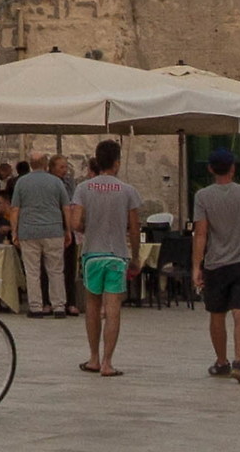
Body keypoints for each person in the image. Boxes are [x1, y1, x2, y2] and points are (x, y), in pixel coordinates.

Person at [68, 139, 143, 377]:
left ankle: (93, 357)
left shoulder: (83, 189)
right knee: (113, 309)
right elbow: (134, 228)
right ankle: (108, 362)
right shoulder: (128, 191)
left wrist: (88, 227)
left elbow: (75, 222)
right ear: (117, 162)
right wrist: (136, 256)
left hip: (92, 254)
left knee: (92, 305)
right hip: (117, 255)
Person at [191, 150, 240, 384]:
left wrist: (196, 266)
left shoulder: (203, 197)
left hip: (217, 263)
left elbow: (201, 234)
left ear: (211, 169)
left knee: (216, 314)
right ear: (233, 168)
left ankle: (221, 360)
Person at [9, 153, 73, 317]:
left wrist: (14, 231)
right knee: (56, 270)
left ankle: (36, 307)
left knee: (32, 271)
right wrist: (68, 230)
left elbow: (15, 209)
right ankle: (59, 306)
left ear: (31, 164)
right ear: (46, 164)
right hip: (53, 230)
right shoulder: (56, 182)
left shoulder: (22, 182)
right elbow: (66, 207)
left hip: (28, 231)